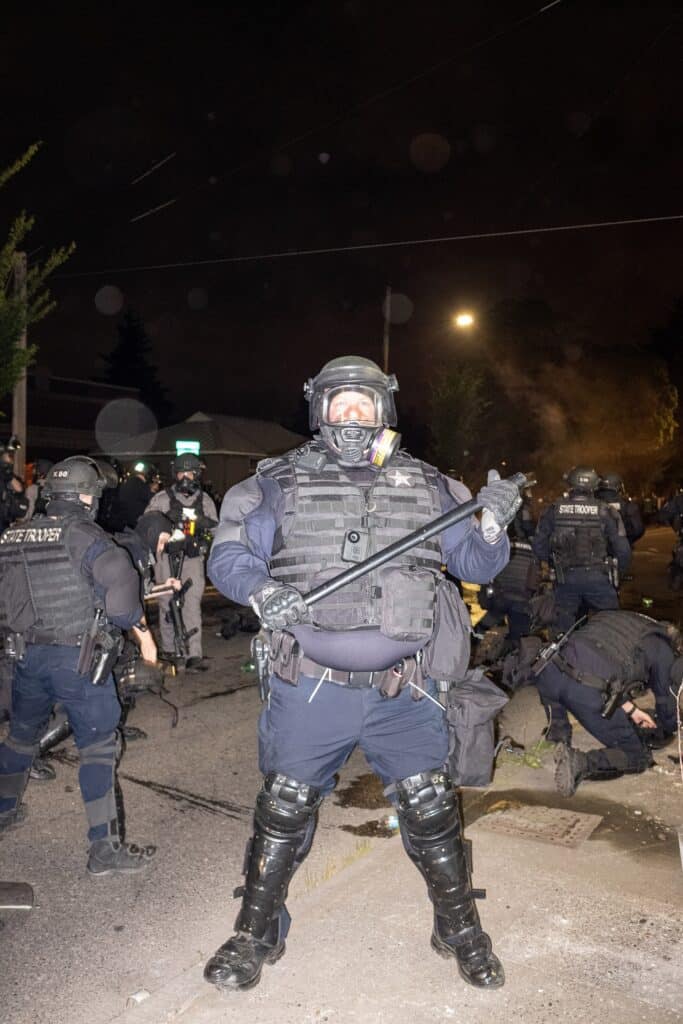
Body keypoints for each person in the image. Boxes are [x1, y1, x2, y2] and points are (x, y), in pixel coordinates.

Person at [203, 355, 522, 993]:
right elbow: (230, 553)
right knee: (284, 809)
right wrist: (261, 592)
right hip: (310, 684)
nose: (351, 417)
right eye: (338, 404)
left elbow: (478, 565)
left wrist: (490, 524)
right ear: (317, 410)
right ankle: (256, 931)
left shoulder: (433, 485)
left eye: (363, 404)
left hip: (407, 689)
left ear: (386, 410)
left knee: (432, 808)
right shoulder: (276, 482)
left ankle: (458, 929)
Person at [0, 456, 156, 875]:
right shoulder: (85, 536)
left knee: (19, 738)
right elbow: (122, 600)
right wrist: (139, 629)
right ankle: (103, 850)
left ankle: (4, 810)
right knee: (99, 748)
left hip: (24, 659)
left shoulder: (13, 535)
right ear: (88, 496)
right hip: (79, 660)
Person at [526, 610, 681, 795]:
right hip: (584, 690)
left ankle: (558, 735)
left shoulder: (625, 621)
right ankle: (580, 762)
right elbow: (667, 707)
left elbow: (606, 664)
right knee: (637, 756)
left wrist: (631, 711)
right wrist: (668, 727)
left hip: (547, 673)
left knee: (569, 683)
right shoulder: (665, 652)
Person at [531, 466, 631, 633]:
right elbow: (623, 550)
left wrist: (554, 563)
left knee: (561, 635)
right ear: (594, 486)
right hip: (598, 579)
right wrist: (617, 574)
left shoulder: (553, 510)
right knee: (611, 628)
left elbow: (539, 546)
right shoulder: (606, 511)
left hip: (565, 580)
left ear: (569, 484)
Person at [146, 453, 217, 670]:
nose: (185, 477)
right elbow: (146, 526)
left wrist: (203, 526)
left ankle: (193, 654)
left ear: (197, 474)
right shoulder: (161, 498)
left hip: (193, 558)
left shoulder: (204, 500)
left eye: (189, 473)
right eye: (181, 472)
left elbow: (217, 528)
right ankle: (169, 649)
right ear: (174, 474)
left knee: (192, 603)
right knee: (167, 603)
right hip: (166, 557)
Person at [595, 472, 644, 547]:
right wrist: (627, 541)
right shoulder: (628, 505)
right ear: (618, 486)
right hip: (621, 548)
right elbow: (638, 530)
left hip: (596, 550)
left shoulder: (591, 503)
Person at [114, 461, 158, 530]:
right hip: (135, 523)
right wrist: (154, 489)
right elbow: (154, 501)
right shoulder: (143, 487)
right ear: (149, 475)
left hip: (121, 521)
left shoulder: (126, 483)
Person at [0, 437, 29, 532]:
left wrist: (7, 473)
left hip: (5, 522)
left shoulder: (8, 475)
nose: (11, 460)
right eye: (9, 456)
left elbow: (19, 489)